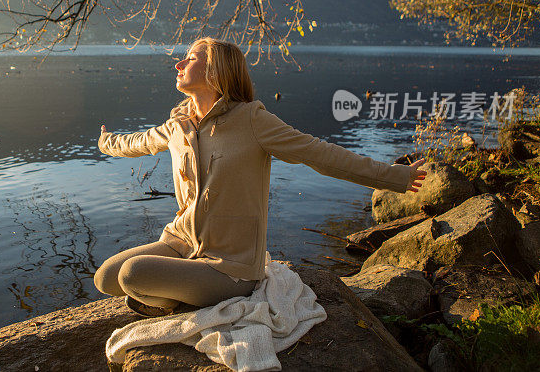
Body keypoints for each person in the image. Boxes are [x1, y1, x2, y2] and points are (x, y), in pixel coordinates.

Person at [94, 38, 427, 317]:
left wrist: (395, 177)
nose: (179, 64)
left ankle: (174, 297)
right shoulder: (178, 125)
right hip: (180, 242)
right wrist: (105, 142)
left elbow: (321, 154)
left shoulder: (252, 120)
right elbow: (136, 142)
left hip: (230, 265)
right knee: (106, 278)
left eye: (190, 58)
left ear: (215, 70)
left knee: (133, 274)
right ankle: (172, 292)